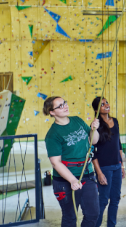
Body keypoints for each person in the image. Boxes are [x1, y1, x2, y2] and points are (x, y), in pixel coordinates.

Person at [43, 96, 100, 227]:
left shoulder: (77, 120)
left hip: (87, 174)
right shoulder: (52, 135)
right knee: (70, 218)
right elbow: (56, 162)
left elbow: (94, 140)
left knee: (93, 214)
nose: (65, 106)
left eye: (65, 103)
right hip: (65, 180)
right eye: (60, 106)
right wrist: (72, 180)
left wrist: (93, 129)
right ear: (52, 112)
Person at [91, 97, 125, 227]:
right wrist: (99, 173)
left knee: (115, 199)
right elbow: (92, 151)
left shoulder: (115, 121)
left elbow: (118, 145)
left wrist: (122, 166)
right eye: (102, 104)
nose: (106, 105)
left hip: (117, 166)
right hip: (104, 168)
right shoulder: (95, 125)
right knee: (103, 200)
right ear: (96, 109)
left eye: (107, 103)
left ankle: (111, 225)